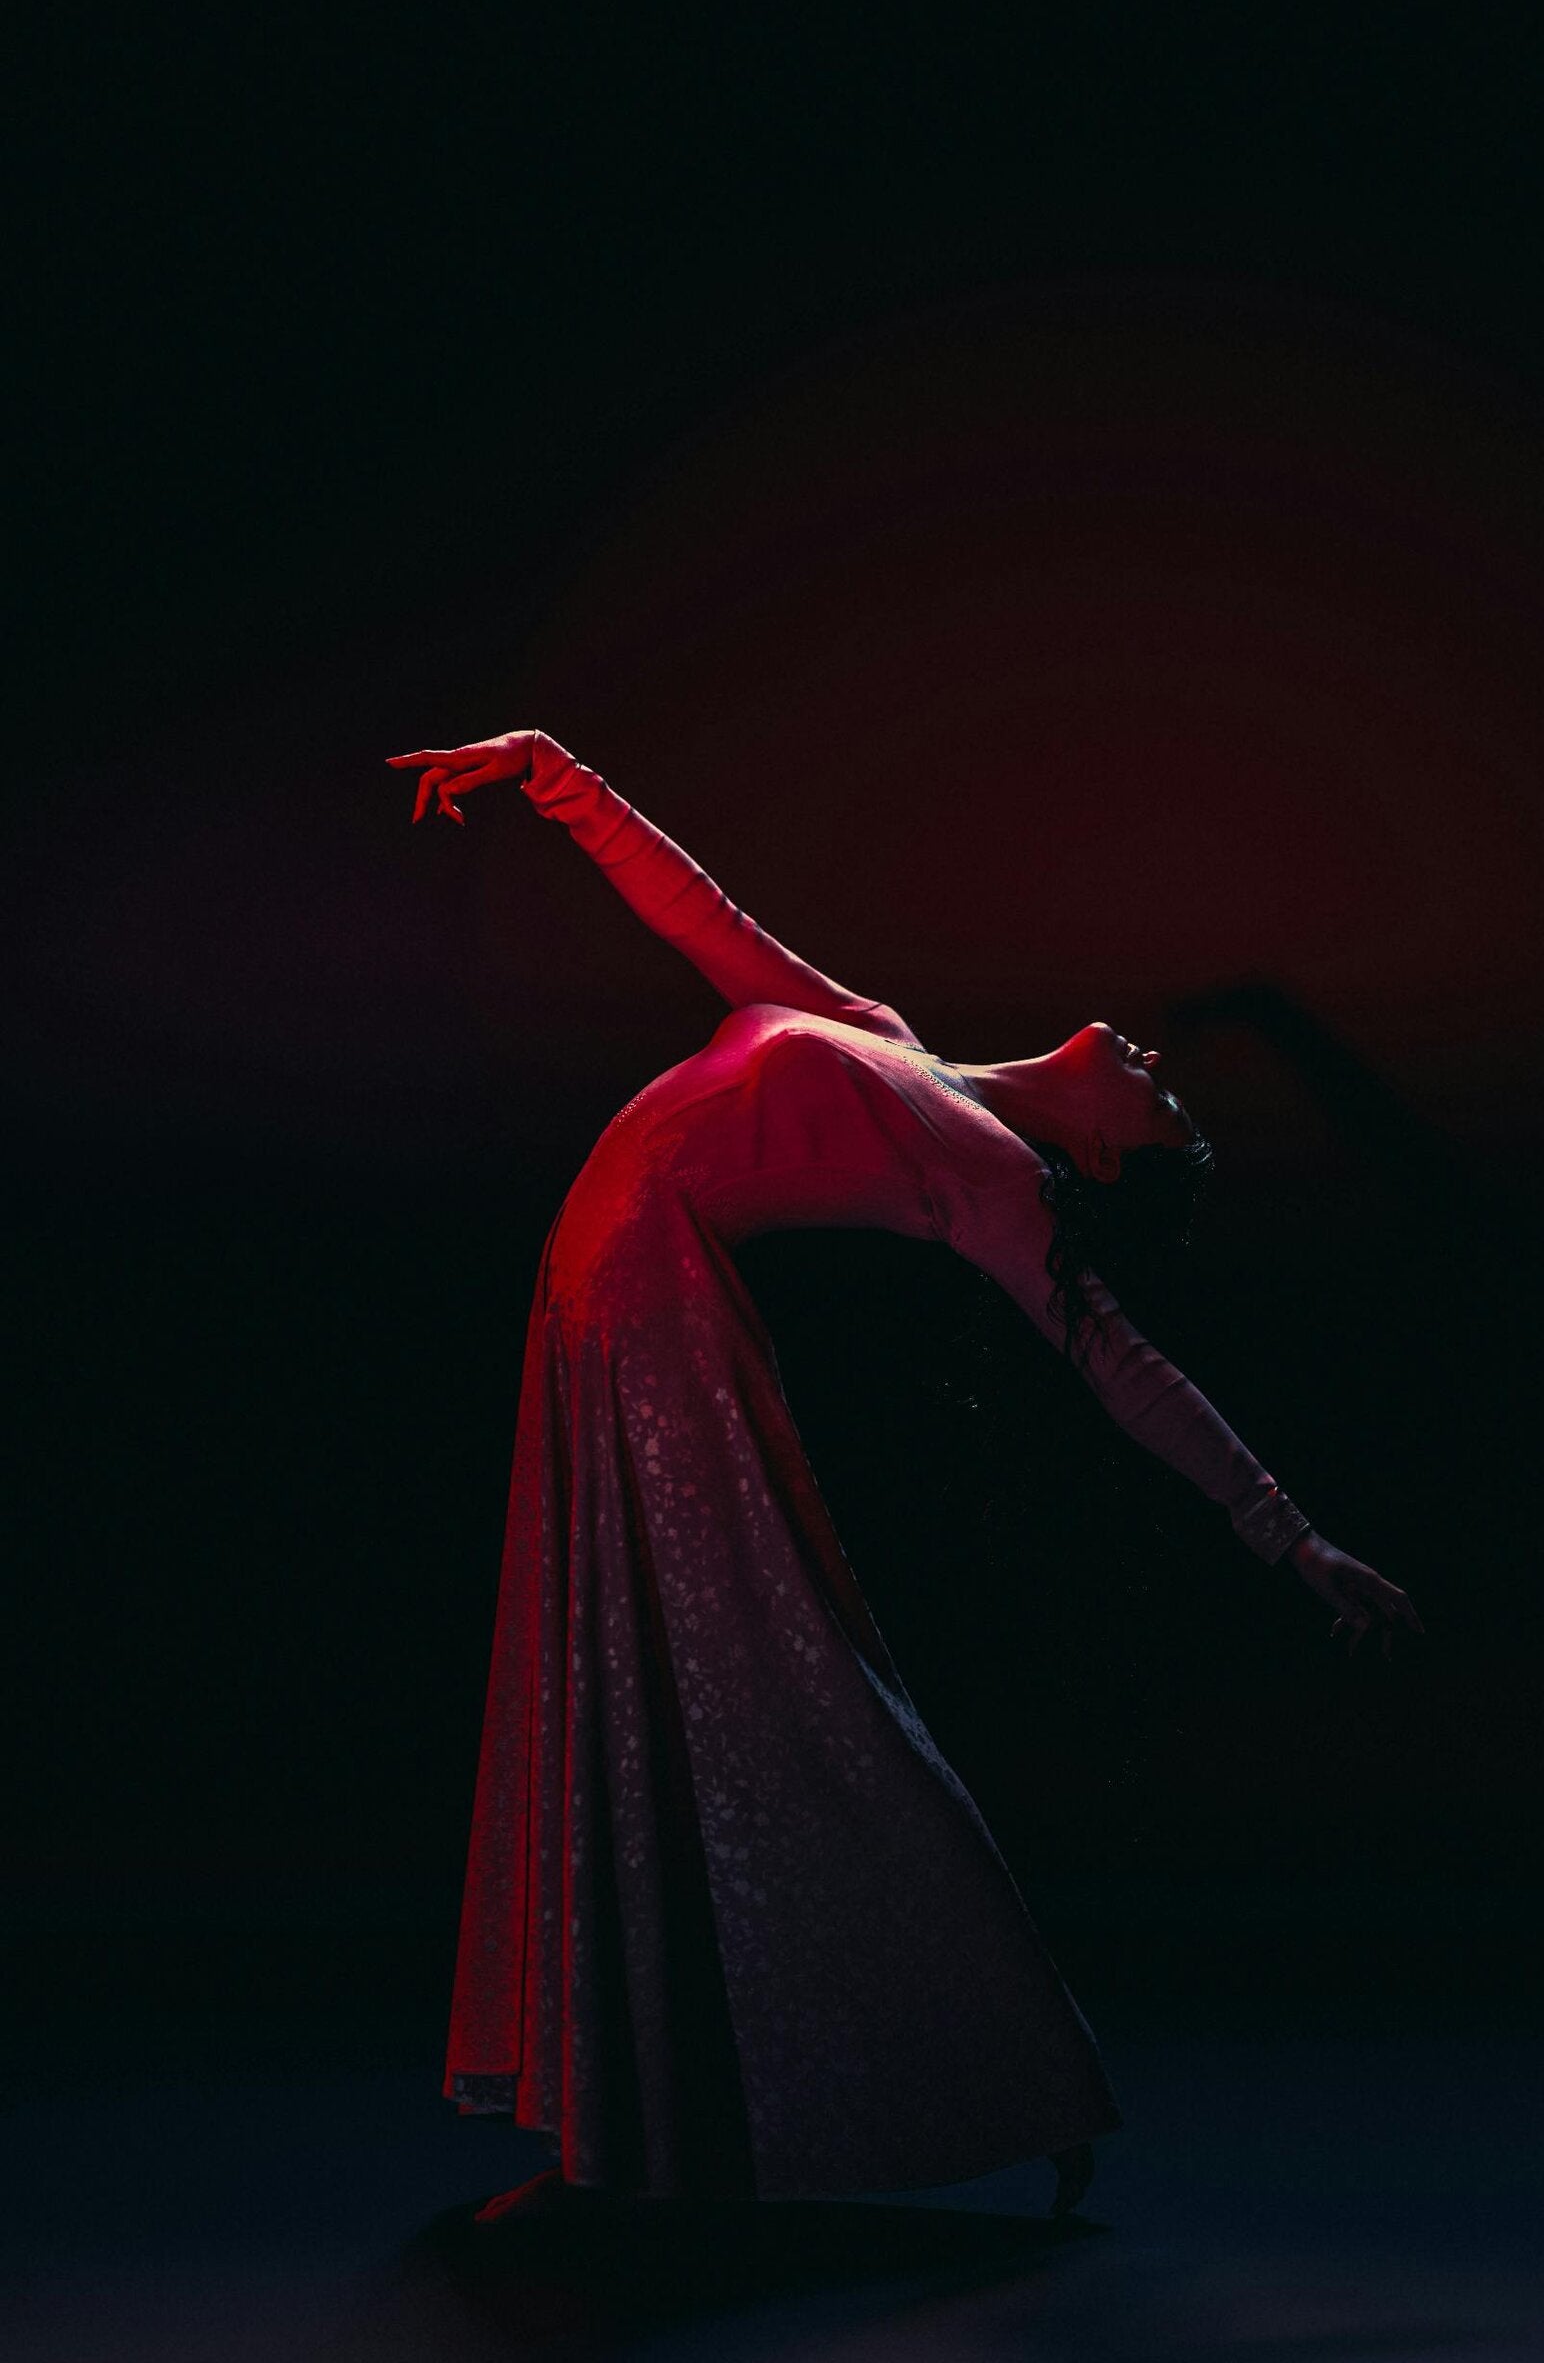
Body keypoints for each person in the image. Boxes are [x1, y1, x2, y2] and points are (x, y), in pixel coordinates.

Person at [387, 729, 1423, 2225]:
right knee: (642, 1683)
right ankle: (641, 2133)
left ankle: (978, 2079)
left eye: (1169, 1114)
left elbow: (1130, 1372)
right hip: (600, 1283)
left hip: (654, 1304)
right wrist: (557, 779)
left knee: (766, 1697)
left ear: (1107, 1166)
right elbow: (709, 921)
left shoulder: (999, 1183)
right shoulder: (882, 1035)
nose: (1156, 1070)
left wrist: (1292, 1538)